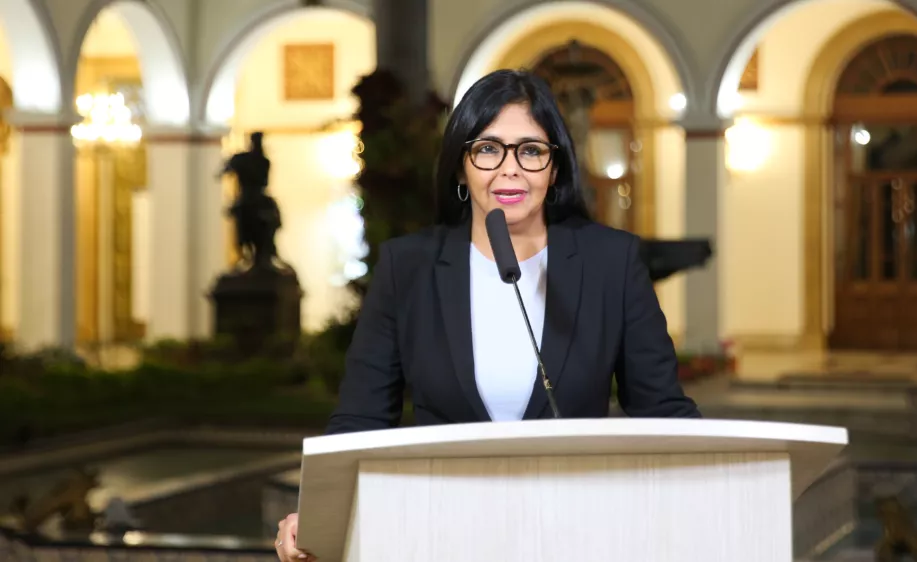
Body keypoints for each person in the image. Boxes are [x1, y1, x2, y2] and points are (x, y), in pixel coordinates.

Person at [274, 68, 700, 562]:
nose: (510, 169)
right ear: (461, 166)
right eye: (488, 148)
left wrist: (726, 483)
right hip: (439, 535)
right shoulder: (407, 268)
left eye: (532, 150)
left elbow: (662, 411)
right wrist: (319, 510)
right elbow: (362, 418)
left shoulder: (611, 263)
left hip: (575, 534)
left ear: (555, 168)